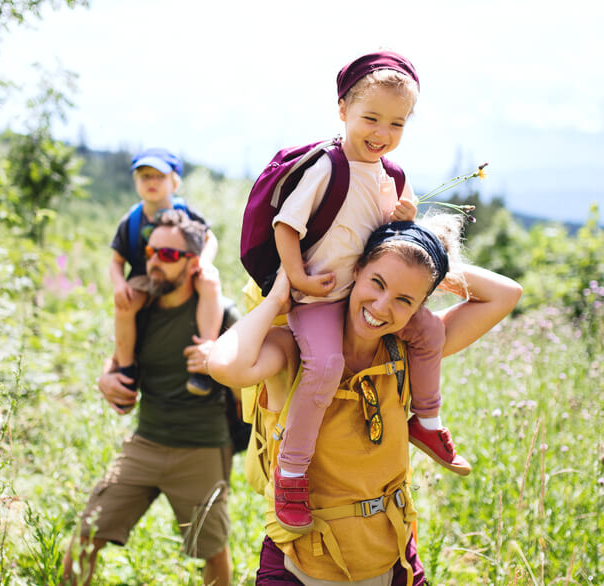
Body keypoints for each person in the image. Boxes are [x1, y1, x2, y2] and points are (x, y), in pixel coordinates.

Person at [209, 217, 522, 584]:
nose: (382, 306)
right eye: (377, 282)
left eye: (405, 299)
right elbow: (225, 366)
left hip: (392, 562)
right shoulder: (294, 349)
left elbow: (507, 294)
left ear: (419, 306)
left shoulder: (410, 351)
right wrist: (279, 296)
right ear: (354, 269)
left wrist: (426, 256)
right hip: (299, 565)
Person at [268, 50, 467, 533]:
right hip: (319, 296)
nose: (382, 133)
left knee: (428, 334)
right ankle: (291, 471)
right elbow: (286, 225)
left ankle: (427, 420)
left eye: (396, 124)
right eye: (371, 118)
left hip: (363, 292)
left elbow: (395, 224)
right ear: (343, 110)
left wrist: (403, 214)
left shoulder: (390, 175)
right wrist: (296, 279)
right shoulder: (326, 167)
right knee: (326, 365)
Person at [62, 210, 238, 586]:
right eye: (151, 251)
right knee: (84, 537)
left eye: (169, 255)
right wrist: (105, 379)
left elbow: (250, 380)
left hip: (202, 448)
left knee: (213, 550)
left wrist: (220, 364)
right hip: (145, 442)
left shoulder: (221, 314)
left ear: (193, 263)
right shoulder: (141, 308)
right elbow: (118, 360)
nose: (155, 261)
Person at [109, 147, 222, 396]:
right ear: (136, 181)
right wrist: (119, 284)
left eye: (159, 176)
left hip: (183, 272)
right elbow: (116, 261)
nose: (152, 182)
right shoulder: (131, 220)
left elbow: (209, 239)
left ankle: (203, 356)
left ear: (175, 182)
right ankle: (127, 368)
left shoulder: (187, 213)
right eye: (144, 176)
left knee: (210, 283)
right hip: (144, 276)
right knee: (124, 306)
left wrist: (204, 262)